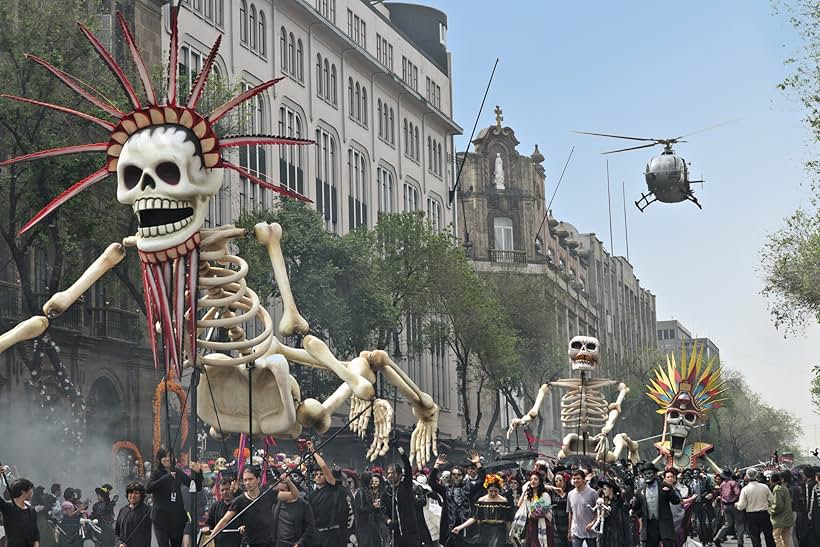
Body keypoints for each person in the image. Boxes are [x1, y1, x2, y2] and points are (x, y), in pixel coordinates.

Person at [210, 466, 299, 547]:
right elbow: (225, 520)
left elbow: (294, 495)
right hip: (249, 544)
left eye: (250, 479)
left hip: (268, 543)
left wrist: (288, 481)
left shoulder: (268, 494)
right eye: (245, 480)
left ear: (258, 480)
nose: (248, 483)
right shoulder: (239, 500)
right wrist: (211, 538)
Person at [146, 447, 203, 547]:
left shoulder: (178, 472)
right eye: (164, 456)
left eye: (169, 456)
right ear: (159, 458)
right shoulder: (156, 473)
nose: (167, 459)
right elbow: (149, 488)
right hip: (160, 518)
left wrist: (198, 473)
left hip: (177, 519)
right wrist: (166, 478)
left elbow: (195, 487)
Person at [429, 451, 484, 546]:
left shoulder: (469, 487)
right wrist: (436, 466)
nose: (456, 477)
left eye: (459, 475)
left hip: (465, 526)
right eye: (454, 475)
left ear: (463, 476)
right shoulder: (446, 489)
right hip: (449, 525)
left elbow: (482, 480)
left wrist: (478, 463)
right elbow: (432, 482)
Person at [450, 473, 512, 547]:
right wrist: (460, 527)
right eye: (491, 491)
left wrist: (509, 534)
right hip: (485, 530)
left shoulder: (503, 501)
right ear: (487, 489)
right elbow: (474, 517)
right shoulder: (482, 500)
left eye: (495, 491)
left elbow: (507, 520)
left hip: (499, 530)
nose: (493, 493)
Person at [305, 441, 346, 547]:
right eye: (316, 474)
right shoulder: (312, 495)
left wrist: (313, 452)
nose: (318, 476)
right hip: (317, 536)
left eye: (321, 474)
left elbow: (323, 466)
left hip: (332, 535)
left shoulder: (333, 488)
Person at [634, 462, 680, 547]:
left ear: (655, 474)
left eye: (649, 473)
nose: (647, 475)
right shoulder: (640, 491)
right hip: (649, 525)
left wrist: (670, 492)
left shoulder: (664, 486)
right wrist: (633, 505)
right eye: (645, 474)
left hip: (664, 523)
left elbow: (676, 501)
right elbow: (637, 509)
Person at [381, 447, 419, 547]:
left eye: (392, 472)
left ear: (400, 474)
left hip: (411, 532)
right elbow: (383, 511)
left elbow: (408, 467)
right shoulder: (386, 492)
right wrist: (388, 521)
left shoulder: (406, 486)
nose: (389, 475)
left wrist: (400, 450)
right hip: (395, 533)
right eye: (388, 473)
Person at [271, 474, 316, 547]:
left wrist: (299, 543)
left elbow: (310, 528)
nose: (280, 493)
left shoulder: (304, 505)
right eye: (279, 491)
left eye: (282, 490)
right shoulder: (276, 504)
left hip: (295, 543)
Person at [736, 468, 774, 547]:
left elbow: (741, 506)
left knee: (755, 538)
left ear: (747, 476)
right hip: (764, 514)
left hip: (751, 515)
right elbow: (772, 500)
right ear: (756, 475)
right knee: (769, 537)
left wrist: (736, 505)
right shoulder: (764, 487)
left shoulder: (745, 489)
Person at [0, 474, 40, 547]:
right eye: (30, 489)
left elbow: (35, 535)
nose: (32, 492)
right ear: (23, 492)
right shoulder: (8, 507)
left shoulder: (31, 510)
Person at [202, 480, 240, 547]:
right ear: (219, 492)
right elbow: (209, 522)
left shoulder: (239, 504)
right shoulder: (216, 506)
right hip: (220, 543)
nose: (225, 492)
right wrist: (207, 528)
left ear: (231, 489)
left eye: (227, 489)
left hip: (237, 543)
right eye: (222, 490)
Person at [353, 471, 386, 547]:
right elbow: (360, 508)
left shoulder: (366, 490)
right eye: (370, 478)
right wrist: (373, 506)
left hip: (370, 525)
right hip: (363, 527)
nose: (372, 480)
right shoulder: (361, 492)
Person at [567, 469, 598, 547]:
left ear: (584, 480)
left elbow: (599, 512)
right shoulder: (570, 494)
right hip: (576, 531)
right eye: (574, 478)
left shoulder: (593, 493)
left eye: (578, 478)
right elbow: (570, 513)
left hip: (591, 531)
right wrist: (569, 530)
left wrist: (593, 523)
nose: (576, 481)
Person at [114, 482, 151, 547]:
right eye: (130, 493)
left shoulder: (148, 511)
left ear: (141, 495)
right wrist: (119, 543)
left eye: (136, 493)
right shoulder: (123, 510)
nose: (133, 495)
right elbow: (116, 533)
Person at [715, 469, 745, 547]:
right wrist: (734, 500)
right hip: (734, 505)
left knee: (728, 523)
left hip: (725, 505)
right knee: (739, 523)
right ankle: (740, 542)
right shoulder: (734, 483)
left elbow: (721, 496)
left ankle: (718, 537)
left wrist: (722, 507)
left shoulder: (722, 484)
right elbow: (737, 493)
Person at [597, 478, 630, 547]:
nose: (603, 491)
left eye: (605, 489)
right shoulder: (604, 501)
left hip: (617, 532)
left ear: (611, 489)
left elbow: (625, 495)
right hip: (606, 532)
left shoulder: (619, 501)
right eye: (603, 489)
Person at [767, 472, 793, 547]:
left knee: (777, 538)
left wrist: (769, 509)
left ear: (772, 481)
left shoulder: (777, 489)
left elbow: (778, 505)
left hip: (780, 519)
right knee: (785, 539)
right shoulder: (784, 488)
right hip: (787, 517)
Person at [550, 473, 570, 547]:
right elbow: (542, 486)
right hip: (556, 526)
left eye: (560, 480)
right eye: (556, 481)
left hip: (567, 525)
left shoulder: (570, 493)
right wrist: (554, 488)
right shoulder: (553, 493)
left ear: (565, 481)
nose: (558, 483)